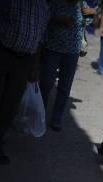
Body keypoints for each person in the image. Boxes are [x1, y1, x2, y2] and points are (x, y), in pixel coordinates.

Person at [0, 0, 49, 168]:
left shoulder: (43, 6)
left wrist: (35, 65)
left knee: (10, 106)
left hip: (25, 61)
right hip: (2, 53)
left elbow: (40, 39)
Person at [39, 0, 83, 132]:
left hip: (72, 52)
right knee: (46, 83)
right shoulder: (55, 3)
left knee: (65, 86)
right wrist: (59, 19)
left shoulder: (81, 5)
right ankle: (39, 115)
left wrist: (94, 13)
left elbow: (91, 23)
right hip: (52, 48)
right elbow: (43, 18)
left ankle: (56, 119)